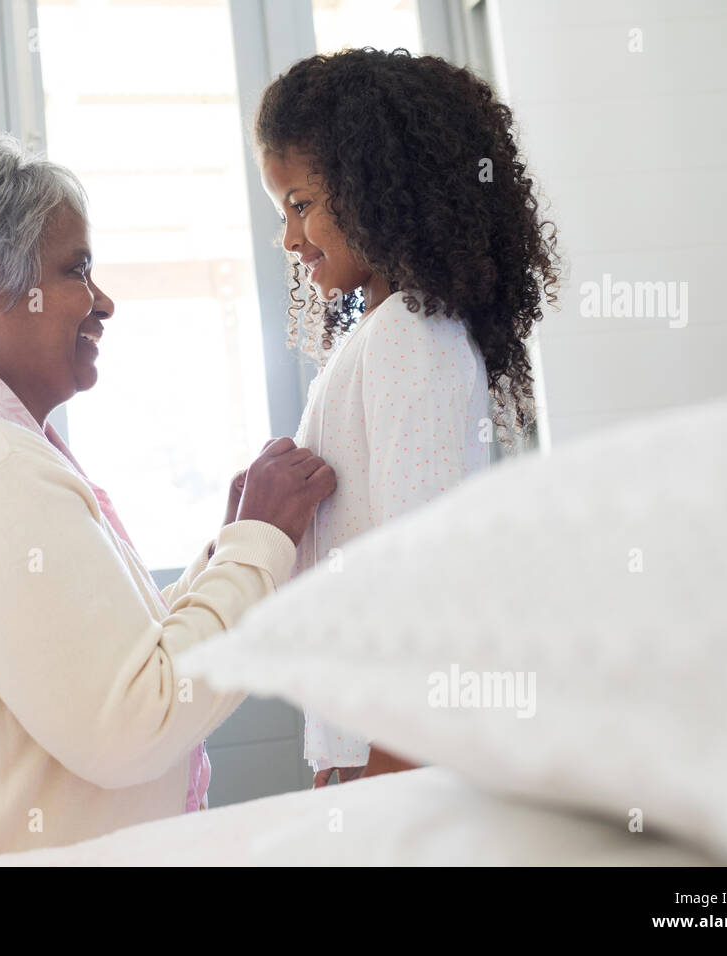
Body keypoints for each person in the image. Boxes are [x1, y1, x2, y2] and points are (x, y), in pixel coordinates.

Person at [0, 136, 335, 863]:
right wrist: (259, 546)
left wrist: (233, 548)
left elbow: (111, 664)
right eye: (77, 270)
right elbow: (135, 721)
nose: (104, 303)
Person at [253, 48, 561, 786]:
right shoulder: (388, 336)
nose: (288, 239)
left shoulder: (411, 339)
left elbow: (424, 580)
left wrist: (388, 776)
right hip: (362, 749)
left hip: (391, 758)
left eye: (300, 204)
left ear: (380, 190)